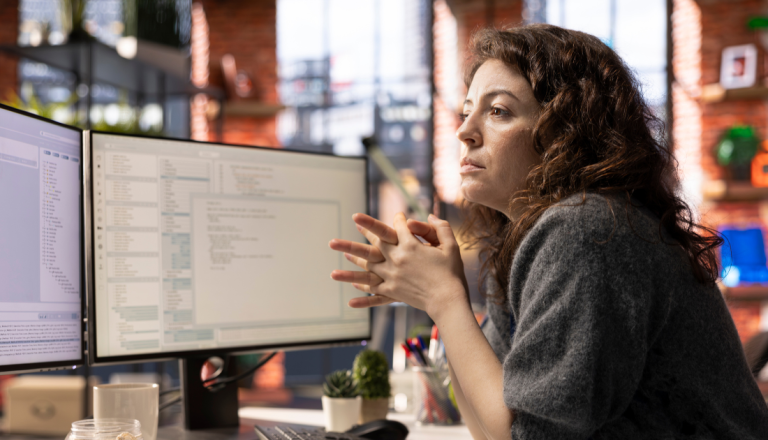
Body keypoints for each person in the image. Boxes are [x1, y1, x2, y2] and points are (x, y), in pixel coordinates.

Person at [328, 24, 768, 439]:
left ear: (566, 135)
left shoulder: (588, 230)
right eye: (466, 111)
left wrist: (445, 299)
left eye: (497, 111)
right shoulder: (526, 241)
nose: (464, 131)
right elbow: (491, 428)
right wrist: (442, 298)